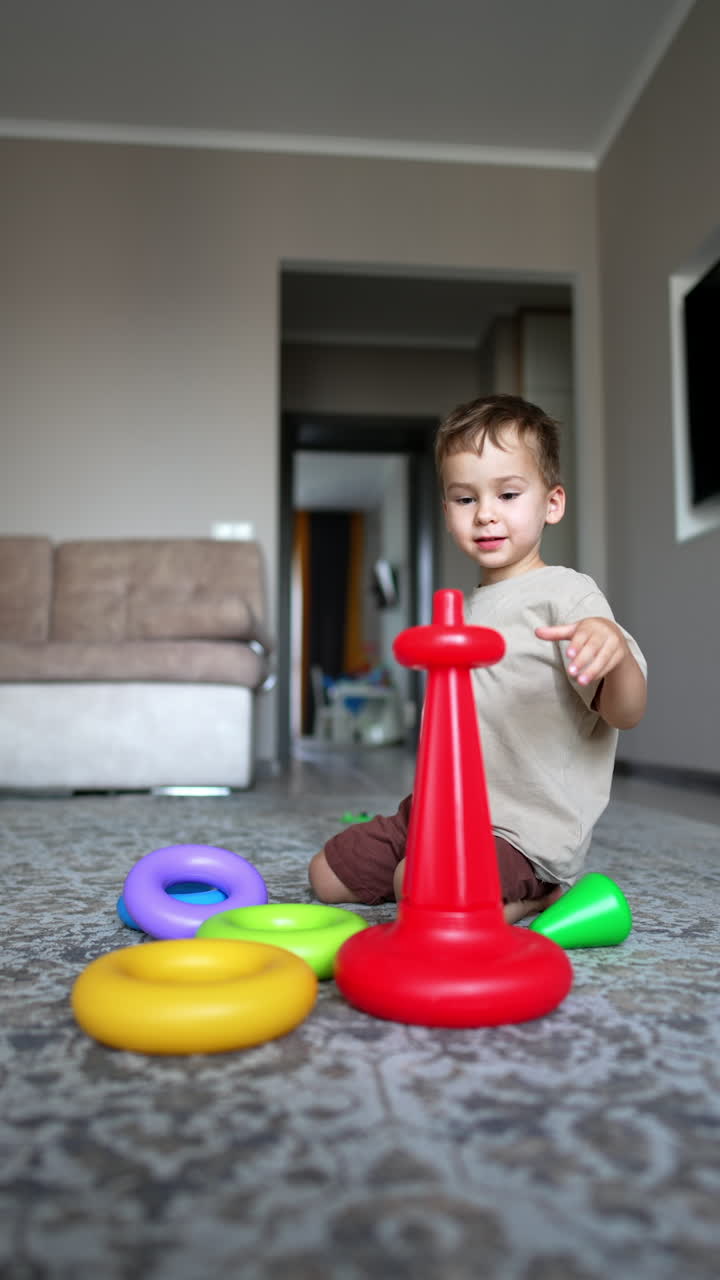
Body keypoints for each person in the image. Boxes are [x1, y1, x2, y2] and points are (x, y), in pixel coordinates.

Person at [308, 393, 647, 924]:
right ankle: (443, 871)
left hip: (519, 831)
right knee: (326, 875)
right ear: (447, 512)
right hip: (437, 809)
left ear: (551, 504)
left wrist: (615, 651)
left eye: (508, 493)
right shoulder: (460, 609)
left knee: (416, 888)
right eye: (465, 500)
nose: (486, 514)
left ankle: (542, 894)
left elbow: (625, 712)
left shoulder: (567, 596)